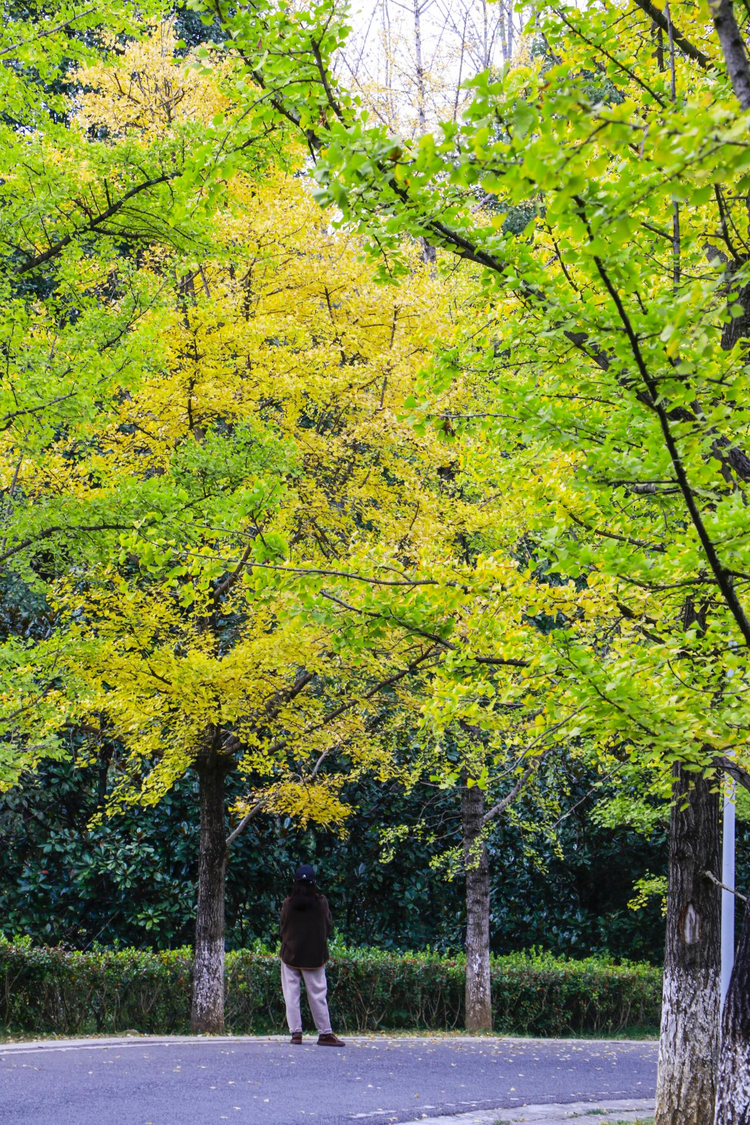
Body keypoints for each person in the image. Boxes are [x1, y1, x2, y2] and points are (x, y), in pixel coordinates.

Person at [279, 864, 345, 1047]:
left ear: (295, 883)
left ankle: (296, 1034)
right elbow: (327, 925)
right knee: (317, 994)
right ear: (314, 883)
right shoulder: (321, 903)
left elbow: (283, 927)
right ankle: (324, 1034)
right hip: (315, 956)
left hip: (290, 954)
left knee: (291, 995)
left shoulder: (288, 904)